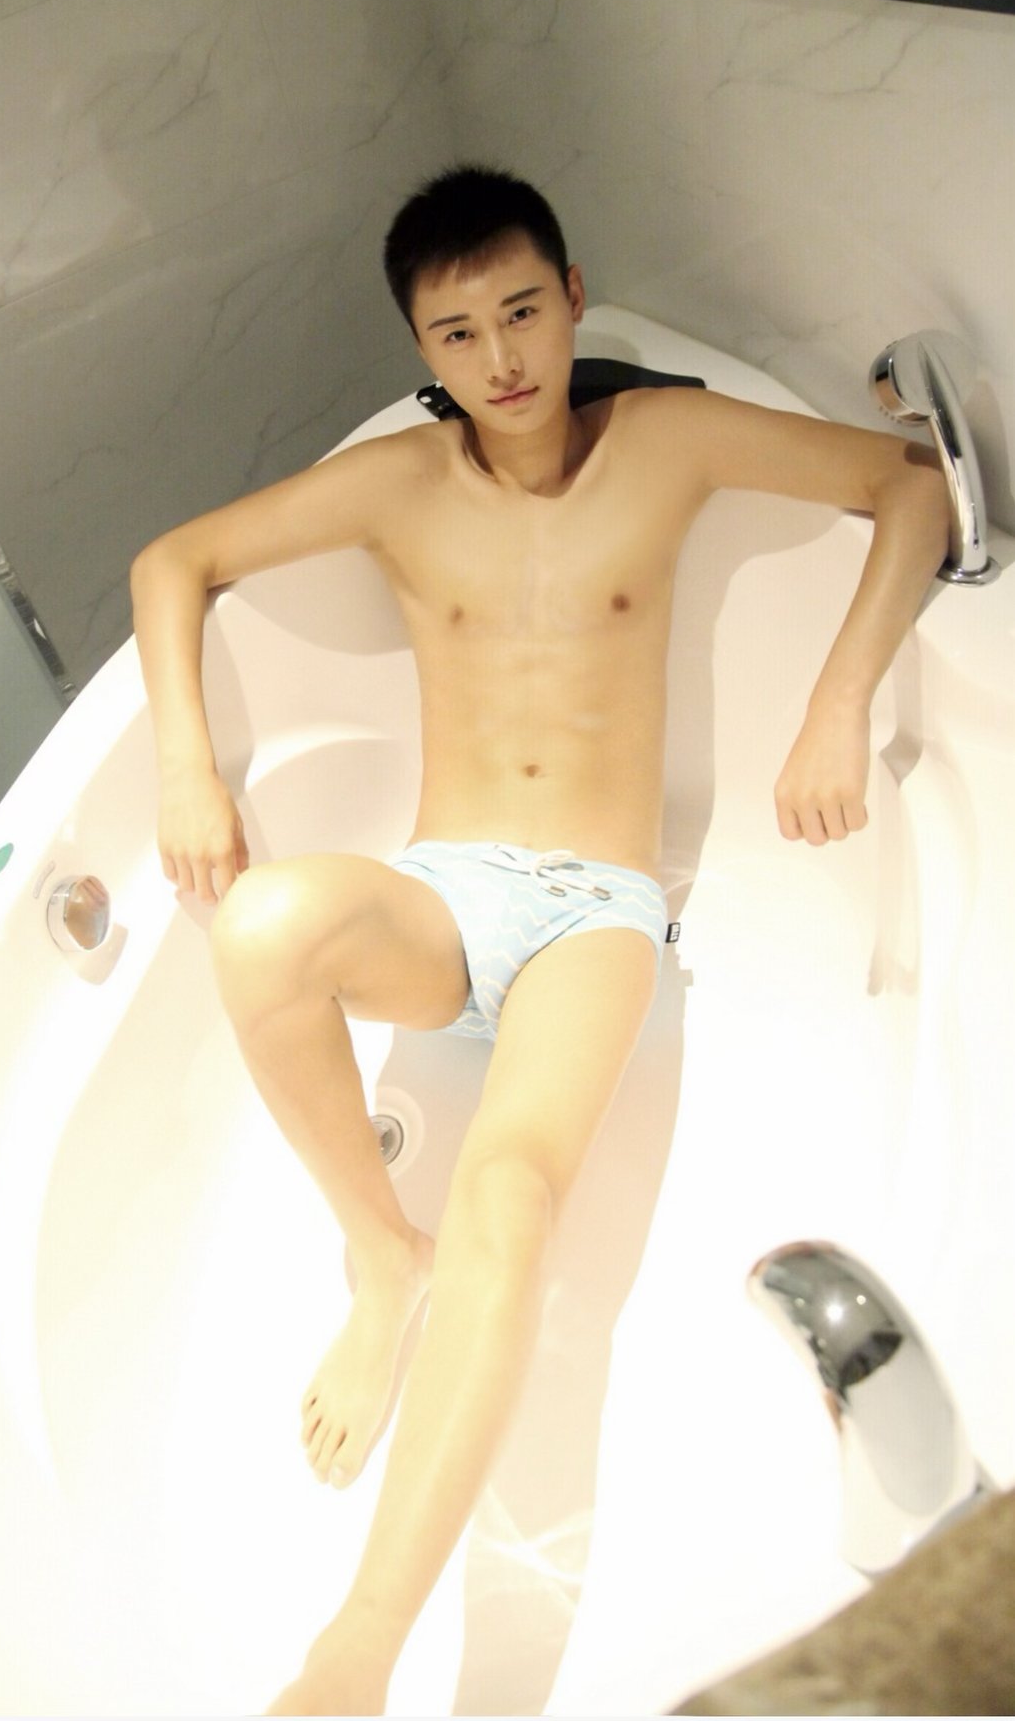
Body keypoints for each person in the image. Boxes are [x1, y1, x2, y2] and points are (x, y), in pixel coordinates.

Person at [129, 165, 950, 1715]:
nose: (500, 360)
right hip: (444, 894)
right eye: (457, 334)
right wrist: (183, 761)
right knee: (262, 925)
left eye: (520, 312)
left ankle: (358, 1647)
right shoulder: (397, 483)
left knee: (507, 1202)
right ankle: (383, 1254)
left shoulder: (666, 443)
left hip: (594, 915)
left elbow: (909, 487)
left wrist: (835, 699)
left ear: (572, 297)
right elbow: (173, 563)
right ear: (420, 351)